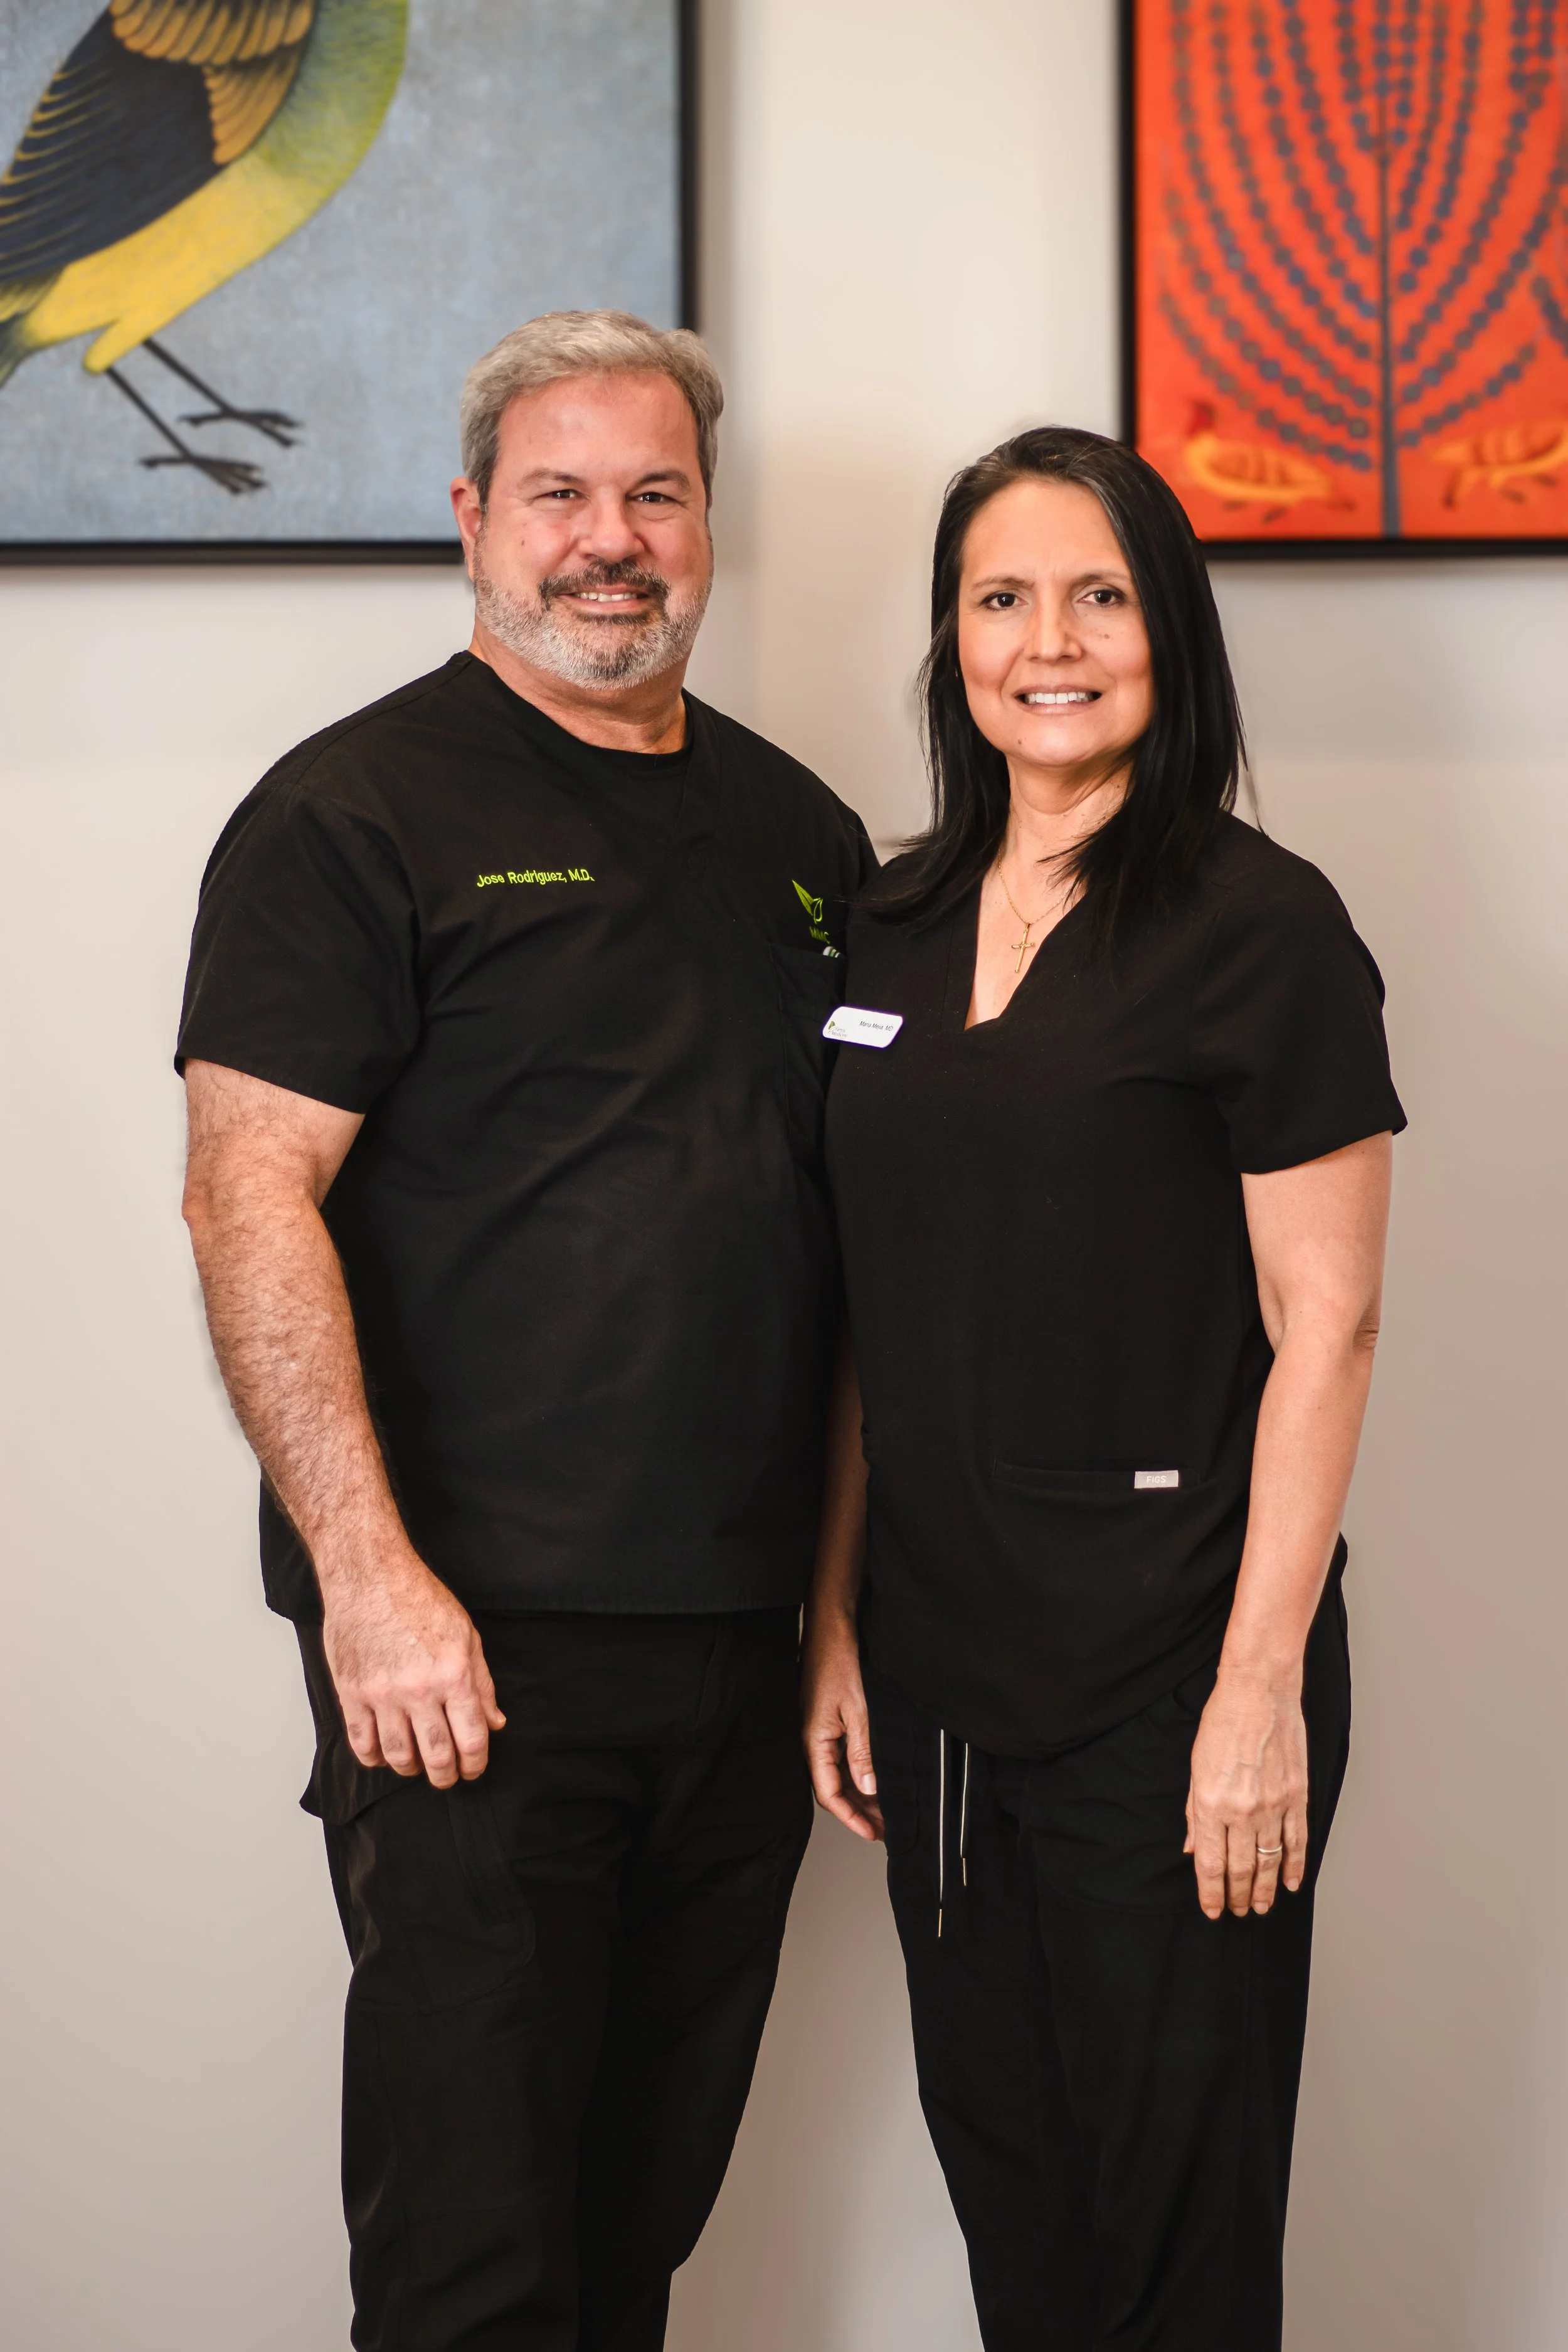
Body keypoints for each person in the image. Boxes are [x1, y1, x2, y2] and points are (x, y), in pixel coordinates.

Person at [178, 309, 872, 2352]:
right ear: (473, 519)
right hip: (463, 1651)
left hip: (736, 1646)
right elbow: (247, 1192)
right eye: (559, 493)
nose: (609, 539)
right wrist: (370, 1582)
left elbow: (846, 1241)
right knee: (475, 2256)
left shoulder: (804, 841)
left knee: (633, 2224)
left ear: (708, 528)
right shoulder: (352, 812)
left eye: (654, 492)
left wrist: (835, 1607)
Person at [803, 425, 1404, 2351]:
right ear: (949, 641)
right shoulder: (884, 922)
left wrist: (1252, 1702)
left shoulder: (1259, 926)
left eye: (1097, 593)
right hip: (943, 1688)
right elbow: (854, 1314)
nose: (1044, 640)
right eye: (998, 597)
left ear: (1171, 631)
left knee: (1176, 2247)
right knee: (1019, 2223)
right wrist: (835, 1624)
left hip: (1173, 1680)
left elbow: (1330, 1324)